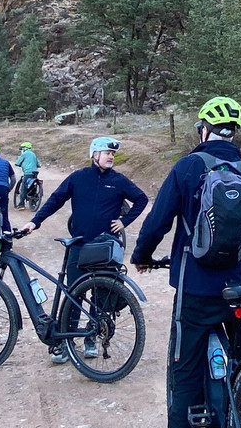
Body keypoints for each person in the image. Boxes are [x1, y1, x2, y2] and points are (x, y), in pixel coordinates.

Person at [131, 97, 241, 428]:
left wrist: (142, 256)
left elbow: (156, 223)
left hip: (196, 293)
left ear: (204, 130)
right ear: (234, 133)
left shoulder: (187, 168)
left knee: (184, 378)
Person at [21, 135, 148, 362]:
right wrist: (35, 221)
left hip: (105, 247)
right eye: (107, 153)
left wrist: (124, 222)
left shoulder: (118, 181)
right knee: (73, 295)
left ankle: (92, 338)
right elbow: (56, 200)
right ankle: (64, 342)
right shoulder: (78, 178)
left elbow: (141, 199)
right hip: (79, 246)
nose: (111, 157)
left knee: (102, 296)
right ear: (94, 154)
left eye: (112, 154)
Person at [13, 141, 40, 210]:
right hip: (35, 173)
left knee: (23, 188)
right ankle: (33, 202)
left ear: (24, 148)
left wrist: (18, 164)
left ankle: (21, 204)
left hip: (27, 173)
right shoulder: (33, 154)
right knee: (33, 186)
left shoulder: (24, 154)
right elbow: (38, 164)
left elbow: (17, 162)